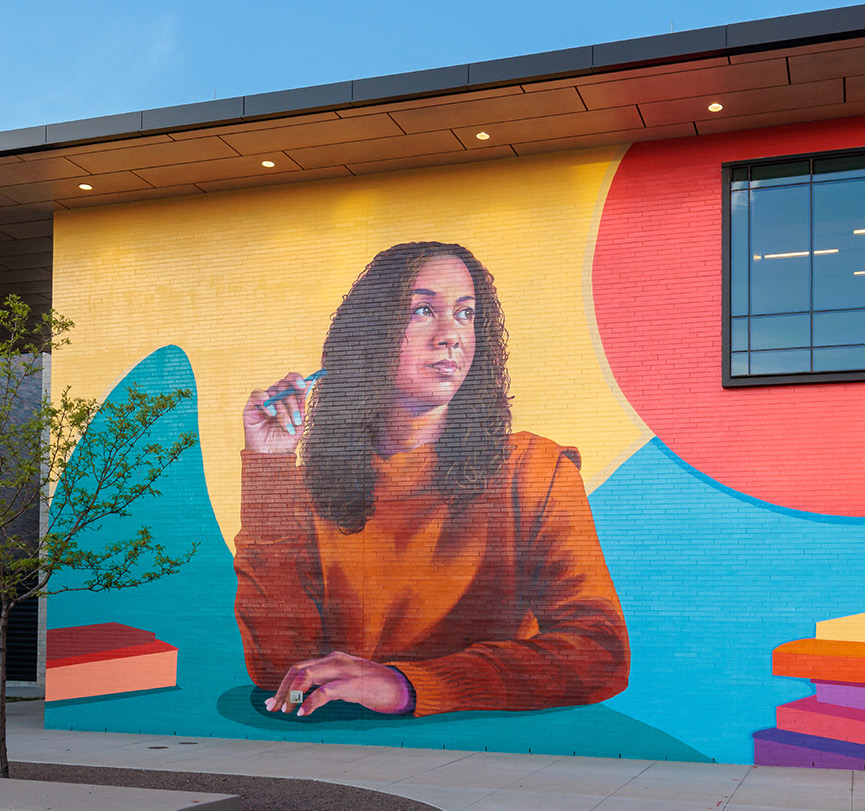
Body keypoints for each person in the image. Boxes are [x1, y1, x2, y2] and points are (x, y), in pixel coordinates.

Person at [234, 241, 629, 718]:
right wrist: (269, 468)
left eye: (466, 314)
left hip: (485, 757)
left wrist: (407, 685)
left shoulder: (535, 473)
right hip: (336, 753)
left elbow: (599, 651)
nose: (450, 336)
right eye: (423, 310)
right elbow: (278, 669)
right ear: (371, 333)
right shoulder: (305, 489)